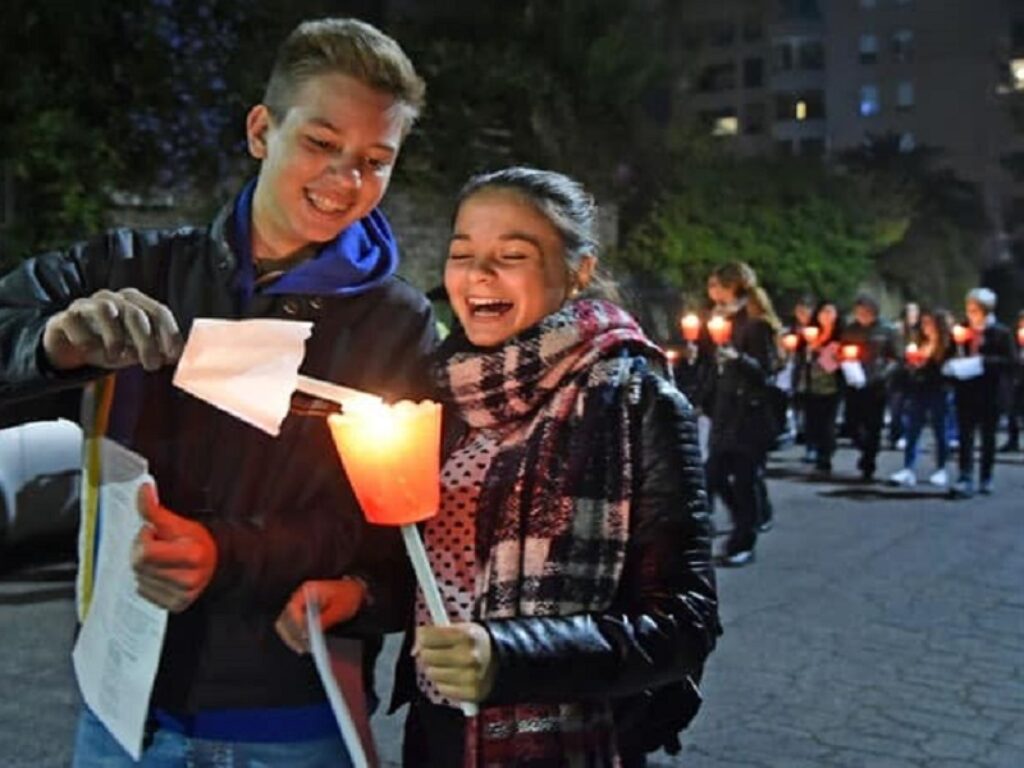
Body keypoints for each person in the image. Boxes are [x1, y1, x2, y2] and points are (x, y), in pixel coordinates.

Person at [0, 18, 435, 766]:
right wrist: (54, 343)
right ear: (262, 130)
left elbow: (387, 534)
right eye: (321, 144)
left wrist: (225, 552)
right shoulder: (135, 266)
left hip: (290, 716)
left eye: (375, 160)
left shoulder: (395, 322)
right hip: (121, 712)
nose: (344, 180)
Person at [289, 167, 720, 766]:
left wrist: (509, 656)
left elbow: (685, 621)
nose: (478, 274)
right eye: (462, 252)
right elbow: (425, 570)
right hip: (439, 735)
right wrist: (359, 596)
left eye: (511, 255)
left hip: (573, 737)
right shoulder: (436, 395)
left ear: (578, 272)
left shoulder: (632, 399)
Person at [702, 262, 781, 566]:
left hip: (749, 412)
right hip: (724, 409)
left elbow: (765, 371)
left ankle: (744, 540)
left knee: (745, 479)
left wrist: (738, 358)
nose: (711, 292)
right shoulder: (720, 320)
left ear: (731, 286)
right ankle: (746, 521)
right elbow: (713, 367)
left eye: (716, 285)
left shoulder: (755, 324)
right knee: (714, 476)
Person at [947, 288, 1015, 497]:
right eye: (969, 308)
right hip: (966, 389)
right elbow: (950, 354)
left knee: (988, 436)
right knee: (965, 435)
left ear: (986, 310)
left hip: (990, 391)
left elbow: (1011, 362)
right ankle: (964, 475)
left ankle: (986, 476)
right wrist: (955, 358)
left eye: (974, 309)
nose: (970, 313)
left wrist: (983, 362)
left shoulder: (1000, 332)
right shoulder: (962, 330)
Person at [888, 309, 954, 488]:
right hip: (918, 390)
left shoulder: (948, 345)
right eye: (923, 323)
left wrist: (929, 364)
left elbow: (949, 368)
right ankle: (908, 468)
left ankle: (941, 469)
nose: (925, 327)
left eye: (929, 323)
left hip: (938, 390)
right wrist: (912, 365)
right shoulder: (920, 343)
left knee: (940, 430)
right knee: (912, 430)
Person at [840, 294, 899, 481]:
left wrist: (883, 375)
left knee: (873, 424)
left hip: (877, 383)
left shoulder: (887, 330)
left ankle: (869, 460)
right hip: (855, 380)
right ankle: (861, 444)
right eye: (858, 312)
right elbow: (841, 351)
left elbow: (896, 358)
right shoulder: (850, 330)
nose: (862, 315)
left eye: (865, 311)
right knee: (852, 421)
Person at [801, 300, 843, 475]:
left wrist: (821, 352)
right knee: (813, 421)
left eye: (830, 312)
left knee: (827, 422)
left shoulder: (840, 336)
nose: (826, 315)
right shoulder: (811, 334)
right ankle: (816, 448)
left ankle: (825, 456)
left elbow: (837, 362)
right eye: (823, 312)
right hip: (811, 384)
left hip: (831, 385)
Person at [998, 309, 1024, 452]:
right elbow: (1009, 356)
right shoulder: (1012, 336)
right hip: (1015, 378)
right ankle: (1012, 441)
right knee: (1012, 411)